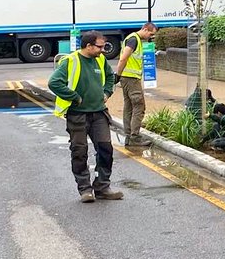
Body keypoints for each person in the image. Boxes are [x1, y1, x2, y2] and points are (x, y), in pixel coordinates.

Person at [48, 30, 119, 202]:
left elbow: (110, 77)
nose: (103, 50)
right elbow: (54, 83)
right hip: (78, 115)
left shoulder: (100, 59)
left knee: (105, 149)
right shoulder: (70, 61)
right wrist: (75, 97)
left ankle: (102, 186)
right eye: (100, 47)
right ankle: (85, 189)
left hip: (99, 113)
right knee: (79, 151)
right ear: (88, 46)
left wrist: (107, 92)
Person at [114, 21, 156, 146]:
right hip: (131, 79)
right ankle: (135, 137)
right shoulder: (134, 40)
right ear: (145, 29)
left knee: (129, 107)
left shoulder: (133, 39)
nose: (151, 37)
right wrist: (117, 74)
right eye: (151, 34)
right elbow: (123, 58)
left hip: (127, 78)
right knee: (139, 106)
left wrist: (120, 76)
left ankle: (129, 136)